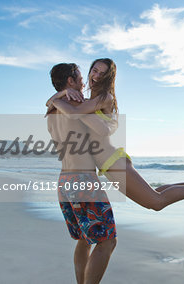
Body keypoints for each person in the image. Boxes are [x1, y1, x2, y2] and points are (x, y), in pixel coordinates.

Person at [47, 58, 184, 214]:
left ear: (108, 78)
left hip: (113, 162)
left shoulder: (104, 97)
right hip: (109, 164)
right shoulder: (89, 101)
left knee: (155, 202)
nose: (95, 76)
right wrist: (61, 94)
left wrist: (56, 99)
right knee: (152, 195)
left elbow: (71, 112)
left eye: (101, 73)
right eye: (94, 70)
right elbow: (66, 109)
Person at [46, 63, 117, 284]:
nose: (85, 80)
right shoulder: (75, 103)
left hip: (64, 181)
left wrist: (57, 96)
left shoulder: (51, 110)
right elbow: (104, 129)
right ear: (70, 81)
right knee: (107, 242)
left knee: (85, 240)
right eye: (79, 76)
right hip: (83, 181)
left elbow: (50, 101)